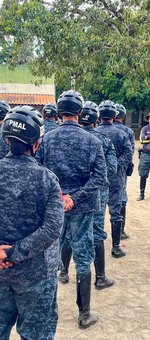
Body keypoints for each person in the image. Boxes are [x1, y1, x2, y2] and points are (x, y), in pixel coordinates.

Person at [37, 90, 108, 329]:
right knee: (83, 257)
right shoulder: (93, 141)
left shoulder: (47, 138)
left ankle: (47, 311)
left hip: (54, 208)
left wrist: (60, 196)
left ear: (59, 112)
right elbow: (100, 178)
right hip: (83, 207)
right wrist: (74, 198)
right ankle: (84, 313)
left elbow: (40, 173)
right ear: (80, 113)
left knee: (49, 256)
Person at [0, 105, 64, 339]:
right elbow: (52, 229)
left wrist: (3, 254)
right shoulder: (47, 180)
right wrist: (14, 253)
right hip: (36, 275)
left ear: (7, 140)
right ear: (36, 143)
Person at [59, 101, 117, 290]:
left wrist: (63, 196)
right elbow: (109, 170)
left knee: (66, 234)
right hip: (91, 197)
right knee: (96, 234)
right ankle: (100, 277)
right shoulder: (99, 140)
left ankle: (64, 272)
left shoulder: (49, 138)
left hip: (61, 201)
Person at [95, 100, 133, 258]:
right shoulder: (122, 133)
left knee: (97, 211)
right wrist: (116, 166)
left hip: (97, 177)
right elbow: (128, 154)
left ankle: (95, 243)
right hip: (116, 177)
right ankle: (116, 246)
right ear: (115, 116)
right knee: (115, 211)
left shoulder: (94, 132)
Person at [114, 103, 135, 240]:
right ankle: (120, 231)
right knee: (121, 199)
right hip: (120, 172)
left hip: (102, 171)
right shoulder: (128, 132)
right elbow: (130, 152)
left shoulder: (99, 130)